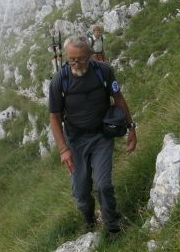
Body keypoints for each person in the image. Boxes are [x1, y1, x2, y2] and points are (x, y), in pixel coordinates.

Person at [49, 36, 137, 234]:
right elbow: (54, 117)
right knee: (80, 192)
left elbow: (119, 98)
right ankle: (89, 219)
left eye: (80, 59)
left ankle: (112, 227)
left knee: (103, 185)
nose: (75, 63)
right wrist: (63, 149)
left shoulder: (103, 71)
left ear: (90, 55)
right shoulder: (59, 81)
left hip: (101, 137)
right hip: (75, 141)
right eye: (71, 59)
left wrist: (131, 128)